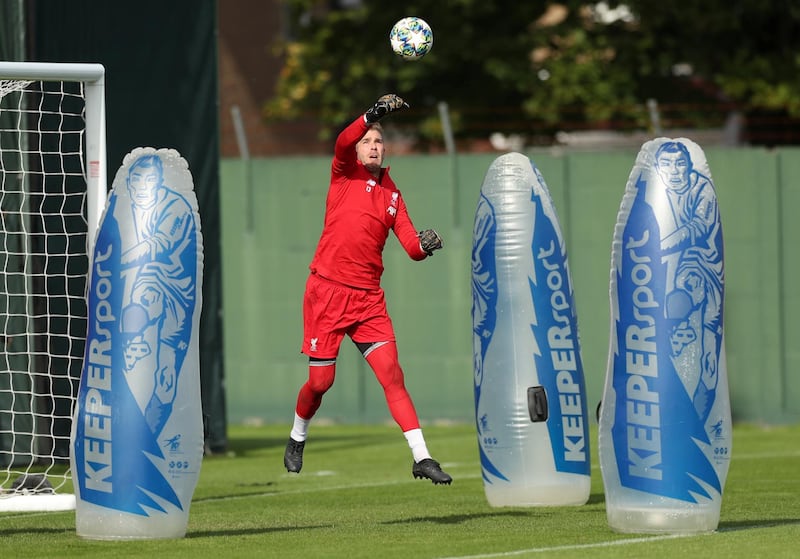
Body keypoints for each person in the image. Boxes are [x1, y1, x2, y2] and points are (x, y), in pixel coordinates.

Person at [283, 94, 452, 485]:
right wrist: (370, 115)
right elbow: (342, 142)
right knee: (321, 383)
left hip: (368, 301)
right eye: (367, 141)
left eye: (378, 141)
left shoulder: (393, 195)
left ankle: (422, 457)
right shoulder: (344, 173)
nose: (372, 146)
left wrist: (425, 246)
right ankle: (297, 436)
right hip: (327, 292)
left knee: (392, 375)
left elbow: (410, 246)